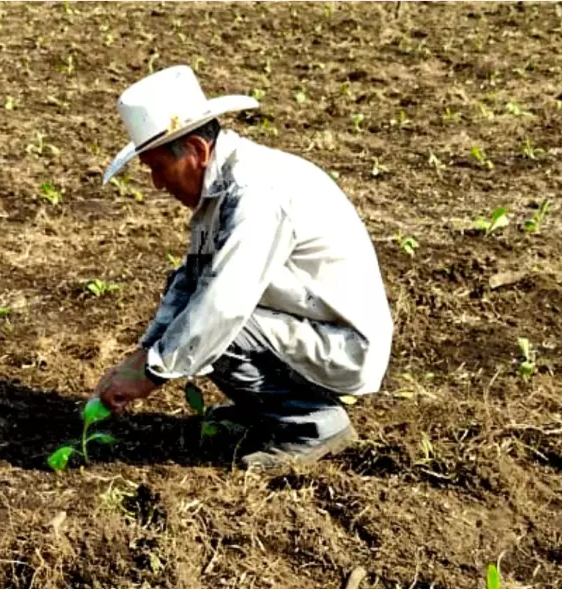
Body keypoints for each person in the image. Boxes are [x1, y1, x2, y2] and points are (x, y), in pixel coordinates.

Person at [94, 65, 394, 469]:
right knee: (197, 314)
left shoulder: (256, 194)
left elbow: (222, 303)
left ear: (197, 152)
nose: (157, 184)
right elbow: (190, 281)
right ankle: (271, 409)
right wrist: (144, 354)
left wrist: (151, 375)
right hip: (305, 325)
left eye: (158, 167)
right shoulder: (220, 190)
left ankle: (313, 425)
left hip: (343, 345)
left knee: (219, 327)